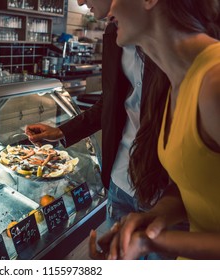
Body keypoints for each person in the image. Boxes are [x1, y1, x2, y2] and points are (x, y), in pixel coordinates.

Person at [25, 0, 170, 257]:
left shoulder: (183, 51)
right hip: (120, 180)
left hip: (166, 196)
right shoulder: (116, 31)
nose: (79, 2)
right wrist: (60, 131)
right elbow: (111, 102)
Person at [92, 0, 220, 260]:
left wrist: (154, 243)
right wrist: (155, 217)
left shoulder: (214, 82)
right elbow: (199, 183)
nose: (110, 9)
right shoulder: (178, 82)